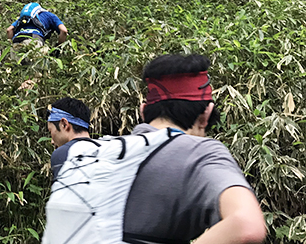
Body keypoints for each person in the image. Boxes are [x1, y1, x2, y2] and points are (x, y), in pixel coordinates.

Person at [43, 54, 266, 244]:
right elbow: (246, 225)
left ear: (142, 112)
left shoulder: (94, 152)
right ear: (206, 115)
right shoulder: (201, 152)